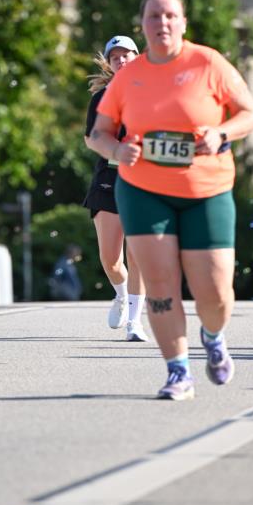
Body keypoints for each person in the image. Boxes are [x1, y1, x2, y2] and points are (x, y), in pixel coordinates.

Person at [89, 0, 253, 400]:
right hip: (144, 191)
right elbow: (98, 134)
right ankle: (177, 370)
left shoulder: (208, 63)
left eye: (170, 16)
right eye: (153, 16)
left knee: (216, 291)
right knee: (161, 283)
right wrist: (117, 149)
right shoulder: (129, 76)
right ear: (143, 24)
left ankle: (214, 335)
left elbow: (250, 113)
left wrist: (221, 132)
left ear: (183, 22)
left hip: (207, 188)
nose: (162, 23)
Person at [83, 35, 147, 342]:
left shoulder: (152, 92)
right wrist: (117, 151)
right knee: (110, 259)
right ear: (109, 63)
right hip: (109, 180)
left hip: (145, 182)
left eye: (127, 55)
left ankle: (135, 321)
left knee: (138, 254)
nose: (122, 60)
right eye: (116, 57)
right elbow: (91, 138)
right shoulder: (102, 98)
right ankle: (121, 295)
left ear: (137, 57)